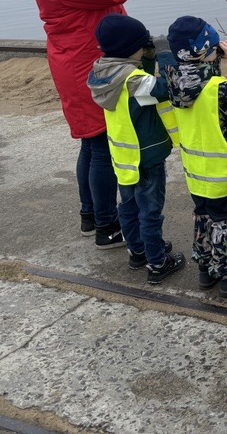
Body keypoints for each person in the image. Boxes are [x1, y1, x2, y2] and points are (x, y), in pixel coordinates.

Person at [5, 0, 130, 248]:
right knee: (103, 143)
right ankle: (107, 225)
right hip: (86, 62)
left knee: (92, 143)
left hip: (77, 59)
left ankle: (92, 216)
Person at [163, 16, 227, 295]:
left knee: (204, 217)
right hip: (222, 172)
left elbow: (201, 78)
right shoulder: (217, 91)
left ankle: (206, 270)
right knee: (226, 221)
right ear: (201, 49)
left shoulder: (175, 81)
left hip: (196, 171)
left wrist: (212, 58)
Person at [87, 14, 186, 284]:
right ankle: (157, 263)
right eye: (141, 45)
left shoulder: (102, 72)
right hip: (147, 156)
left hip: (122, 155)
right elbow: (168, 88)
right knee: (150, 211)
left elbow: (135, 70)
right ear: (131, 48)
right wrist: (164, 54)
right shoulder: (134, 81)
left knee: (128, 207)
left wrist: (146, 53)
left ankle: (138, 251)